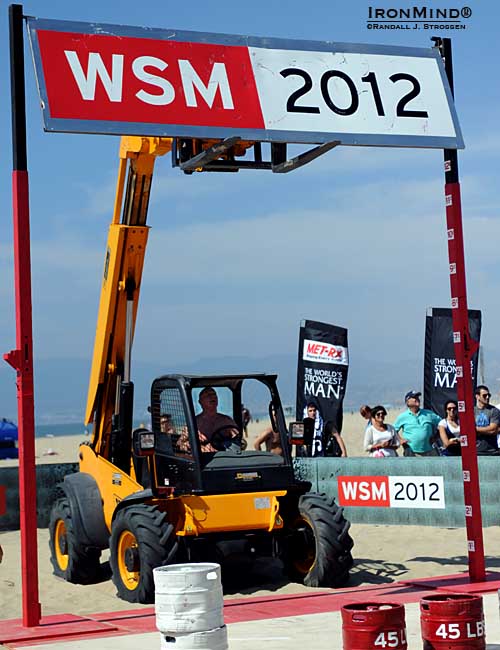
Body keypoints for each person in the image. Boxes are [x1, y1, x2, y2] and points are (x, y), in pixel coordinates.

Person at [393, 390, 440, 457]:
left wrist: (436, 436)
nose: (417, 399)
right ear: (408, 402)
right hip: (411, 452)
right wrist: (400, 440)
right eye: (414, 397)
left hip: (430, 451)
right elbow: (393, 430)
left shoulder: (429, 413)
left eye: (417, 397)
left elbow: (442, 424)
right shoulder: (403, 416)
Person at [196, 386, 240, 452]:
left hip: (223, 457)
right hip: (202, 459)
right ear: (200, 402)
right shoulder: (194, 422)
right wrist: (201, 448)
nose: (212, 397)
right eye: (208, 395)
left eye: (214, 394)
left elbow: (238, 440)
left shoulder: (226, 420)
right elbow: (181, 444)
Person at [474, 385, 500, 454]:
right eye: (484, 395)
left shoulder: (494, 411)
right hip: (475, 450)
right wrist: (487, 430)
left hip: (492, 451)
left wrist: (475, 429)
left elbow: (493, 429)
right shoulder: (471, 411)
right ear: (477, 396)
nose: (487, 397)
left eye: (489, 395)